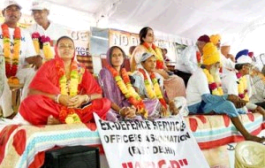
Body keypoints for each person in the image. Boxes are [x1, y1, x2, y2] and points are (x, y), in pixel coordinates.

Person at [19, 36, 111, 125]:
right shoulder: (48, 66)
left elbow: (98, 94)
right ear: (56, 49)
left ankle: (61, 121)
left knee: (105, 103)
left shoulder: (80, 69)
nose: (66, 49)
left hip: (77, 107)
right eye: (62, 46)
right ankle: (65, 120)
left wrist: (83, 98)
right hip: (54, 106)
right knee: (29, 104)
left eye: (70, 46)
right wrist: (58, 98)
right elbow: (32, 92)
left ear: (74, 51)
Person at [186, 42, 265, 143]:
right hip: (195, 107)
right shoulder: (200, 75)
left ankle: (248, 121)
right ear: (210, 63)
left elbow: (222, 96)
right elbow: (207, 98)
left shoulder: (213, 74)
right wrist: (228, 97)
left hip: (205, 103)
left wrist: (236, 101)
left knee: (232, 104)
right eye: (217, 64)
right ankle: (247, 135)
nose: (219, 67)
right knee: (228, 104)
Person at [0, 0, 39, 118]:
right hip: (1, 70)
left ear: (20, 15)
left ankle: (24, 110)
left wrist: (37, 59)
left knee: (34, 72)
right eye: (10, 9)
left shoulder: (25, 33)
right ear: (3, 13)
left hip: (18, 72)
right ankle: (8, 114)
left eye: (16, 10)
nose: (13, 12)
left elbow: (29, 57)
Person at [99, 46, 159, 122]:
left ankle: (133, 113)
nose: (117, 58)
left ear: (123, 57)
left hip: (126, 105)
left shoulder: (124, 73)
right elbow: (109, 98)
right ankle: (129, 115)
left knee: (154, 101)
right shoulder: (105, 72)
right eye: (114, 55)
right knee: (109, 113)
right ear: (109, 58)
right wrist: (121, 111)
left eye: (119, 55)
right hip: (113, 107)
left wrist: (133, 107)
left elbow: (131, 95)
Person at [130, 27, 185, 100]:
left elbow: (161, 64)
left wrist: (166, 70)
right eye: (150, 35)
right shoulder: (140, 49)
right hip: (143, 76)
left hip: (155, 73)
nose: (153, 36)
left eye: (153, 34)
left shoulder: (155, 49)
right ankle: (168, 102)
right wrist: (162, 72)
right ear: (143, 38)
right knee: (174, 80)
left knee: (178, 79)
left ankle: (174, 103)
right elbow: (143, 67)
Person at [133, 52, 188, 117]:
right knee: (156, 102)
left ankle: (170, 114)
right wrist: (157, 103)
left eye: (154, 61)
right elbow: (136, 96)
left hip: (158, 104)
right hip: (146, 105)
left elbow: (162, 96)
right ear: (142, 63)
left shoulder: (157, 77)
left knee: (182, 100)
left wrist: (170, 103)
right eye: (150, 61)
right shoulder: (138, 75)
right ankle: (170, 115)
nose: (153, 64)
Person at [222, 50, 265, 116]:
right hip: (227, 105)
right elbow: (236, 100)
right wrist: (256, 107)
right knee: (245, 110)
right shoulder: (232, 78)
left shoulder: (241, 78)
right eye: (250, 66)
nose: (252, 68)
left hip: (239, 103)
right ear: (244, 67)